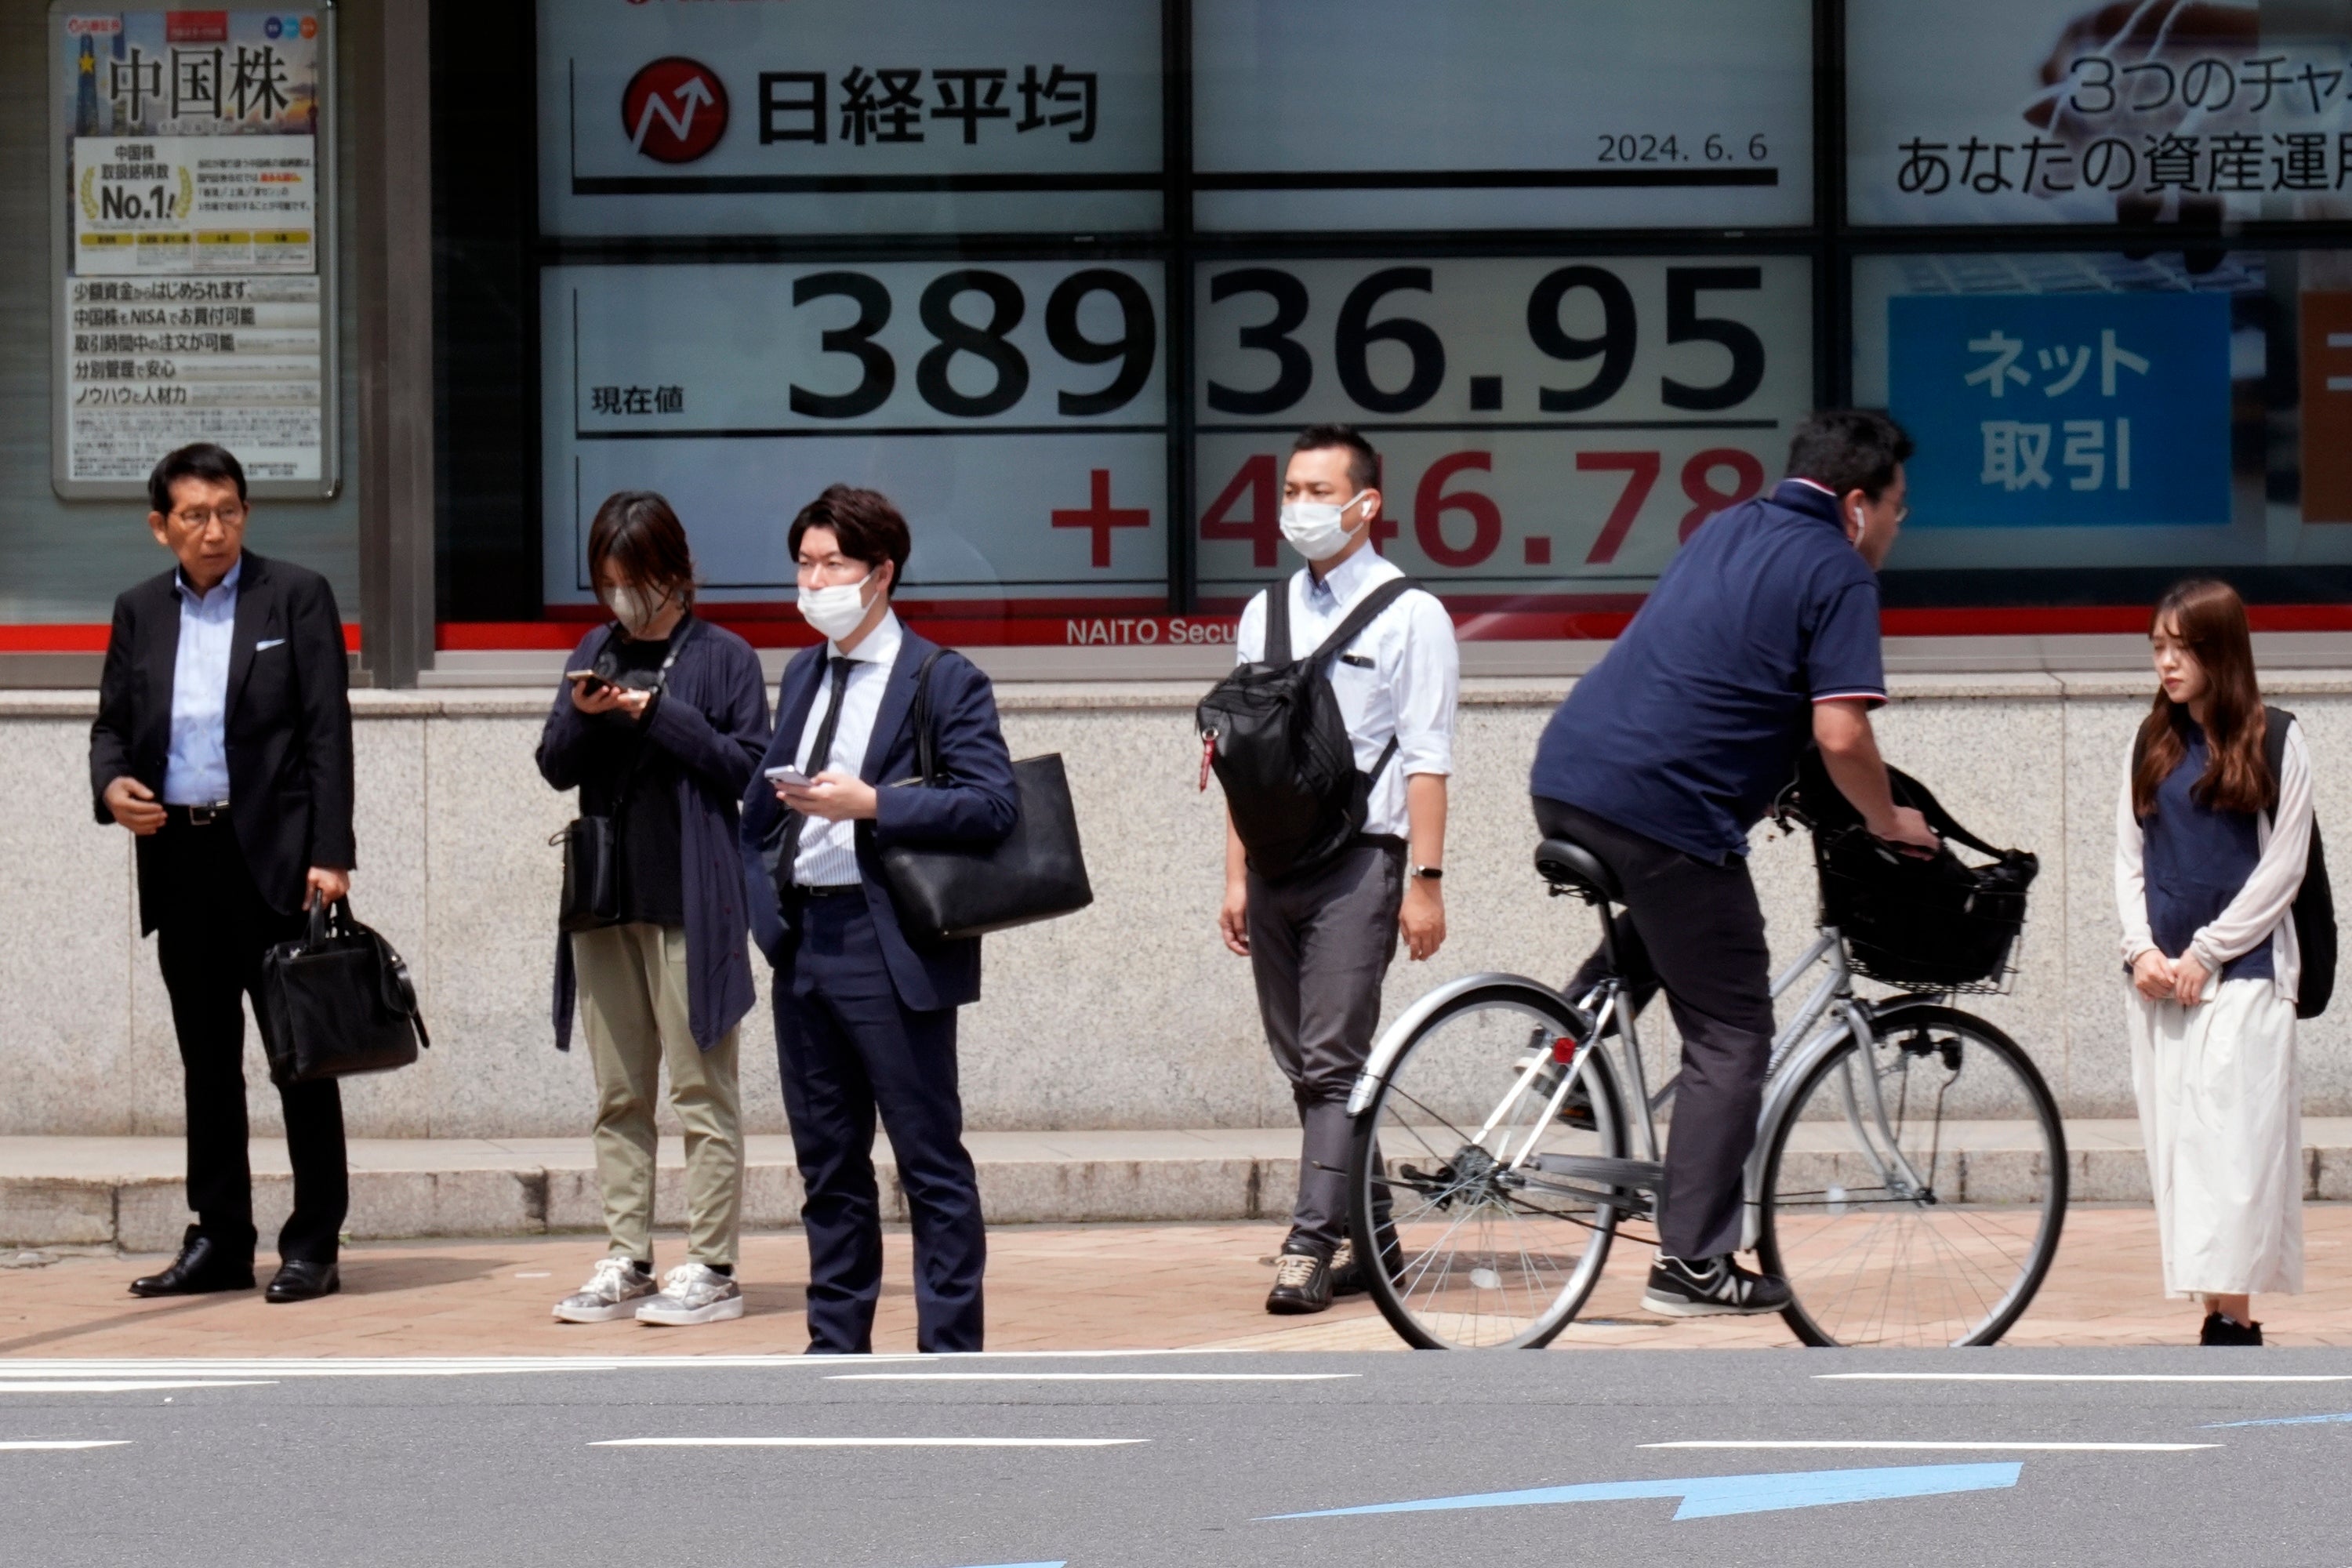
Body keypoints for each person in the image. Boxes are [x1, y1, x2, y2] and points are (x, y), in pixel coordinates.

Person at [1528, 409, 1940, 1319]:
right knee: (1732, 1028)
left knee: (1669, 919)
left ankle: (1563, 1052)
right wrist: (1887, 818)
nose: (1899, 529)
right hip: (1665, 805)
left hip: (1569, 770)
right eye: (1900, 510)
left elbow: (1720, 669)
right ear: (1858, 503)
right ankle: (1694, 1262)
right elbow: (1841, 730)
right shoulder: (1836, 568)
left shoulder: (1728, 525)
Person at [739, 485, 1017, 1355]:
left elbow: (991, 804)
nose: (814, 579)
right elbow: (763, 806)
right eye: (805, 563)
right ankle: (834, 1343)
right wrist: (769, 915)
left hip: (891, 939)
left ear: (881, 572)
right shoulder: (804, 671)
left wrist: (874, 803)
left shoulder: (943, 677)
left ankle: (948, 1347)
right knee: (827, 1161)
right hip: (806, 941)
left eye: (833, 563)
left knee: (928, 1157)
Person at [89, 442, 356, 1305]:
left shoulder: (296, 596)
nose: (216, 530)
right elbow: (112, 726)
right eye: (196, 515)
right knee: (208, 1063)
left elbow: (327, 733)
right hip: (181, 857)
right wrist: (111, 785)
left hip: (276, 860)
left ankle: (313, 1242)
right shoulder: (139, 610)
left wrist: (332, 852)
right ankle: (221, 1237)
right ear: (160, 525)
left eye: (230, 510)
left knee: (301, 1062)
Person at [1219, 424, 1459, 1316]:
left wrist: (1426, 881)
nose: (1301, 508)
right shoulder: (1264, 612)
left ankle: (1308, 1244)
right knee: (1311, 1068)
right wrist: (1236, 875)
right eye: (1291, 490)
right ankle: (1380, 1238)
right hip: (1276, 861)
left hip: (1362, 861)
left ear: (1367, 504)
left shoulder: (1412, 614)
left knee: (1332, 1062)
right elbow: (1242, 755)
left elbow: (1430, 755)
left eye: (1320, 491)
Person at [536, 492, 770, 1327]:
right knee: (619, 1090)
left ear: (675, 572)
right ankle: (626, 1253)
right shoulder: (593, 647)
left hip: (691, 900)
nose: (620, 599)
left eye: (634, 580)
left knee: (702, 1085)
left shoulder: (724, 656)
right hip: (605, 899)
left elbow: (749, 767)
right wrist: (589, 714)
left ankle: (711, 1262)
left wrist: (657, 712)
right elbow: (554, 765)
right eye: (606, 582)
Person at [2117, 579, 2311, 1347]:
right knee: (2183, 1153)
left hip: (2249, 976)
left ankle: (2229, 1318)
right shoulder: (2148, 741)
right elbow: (2127, 858)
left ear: (2220, 650)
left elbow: (2282, 869)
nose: (2167, 662)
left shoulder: (2279, 738)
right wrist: (2139, 950)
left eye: (2183, 646)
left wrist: (2209, 950)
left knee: (2235, 1151)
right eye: (2159, 646)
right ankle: (2223, 1316)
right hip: (2162, 981)